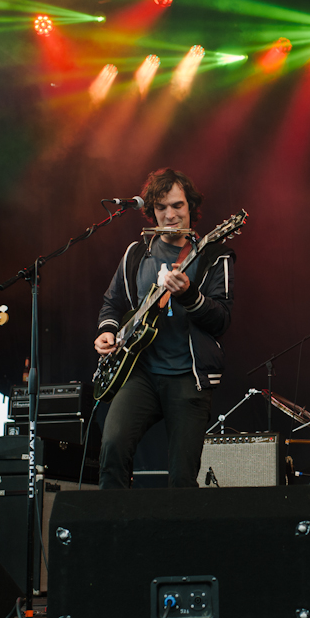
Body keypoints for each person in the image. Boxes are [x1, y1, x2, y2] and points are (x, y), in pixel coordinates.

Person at [94, 168, 235, 489]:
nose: (170, 215)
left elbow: (222, 319)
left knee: (182, 478)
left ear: (191, 207)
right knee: (112, 448)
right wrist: (107, 330)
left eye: (177, 205)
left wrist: (189, 295)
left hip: (189, 378)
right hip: (140, 373)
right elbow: (112, 303)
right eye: (162, 208)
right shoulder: (135, 254)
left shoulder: (214, 255)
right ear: (151, 212)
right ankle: (111, 534)